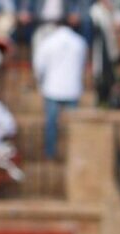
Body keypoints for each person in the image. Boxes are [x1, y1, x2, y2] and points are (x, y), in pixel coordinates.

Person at [32, 18, 87, 159]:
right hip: (72, 88)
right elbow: (82, 65)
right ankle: (73, 152)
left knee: (51, 123)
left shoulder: (48, 41)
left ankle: (50, 153)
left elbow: (39, 65)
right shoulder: (80, 42)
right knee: (73, 124)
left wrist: (40, 80)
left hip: (52, 88)